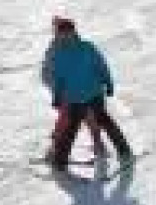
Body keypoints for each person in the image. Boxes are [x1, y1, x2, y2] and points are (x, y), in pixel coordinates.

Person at [45, 16, 134, 172]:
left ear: (74, 32)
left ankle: (124, 151)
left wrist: (108, 82)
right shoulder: (58, 54)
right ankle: (60, 162)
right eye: (62, 33)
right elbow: (57, 77)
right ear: (58, 35)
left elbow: (101, 65)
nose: (65, 36)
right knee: (70, 129)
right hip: (74, 98)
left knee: (105, 122)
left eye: (68, 32)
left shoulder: (87, 47)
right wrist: (57, 95)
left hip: (94, 94)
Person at [40, 15, 106, 161]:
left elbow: (92, 63)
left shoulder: (80, 45)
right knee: (65, 121)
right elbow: (46, 72)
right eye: (59, 30)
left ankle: (98, 145)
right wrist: (58, 88)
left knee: (91, 118)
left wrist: (97, 80)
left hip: (85, 91)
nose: (64, 34)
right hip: (66, 94)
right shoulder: (54, 49)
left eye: (68, 30)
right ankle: (55, 149)